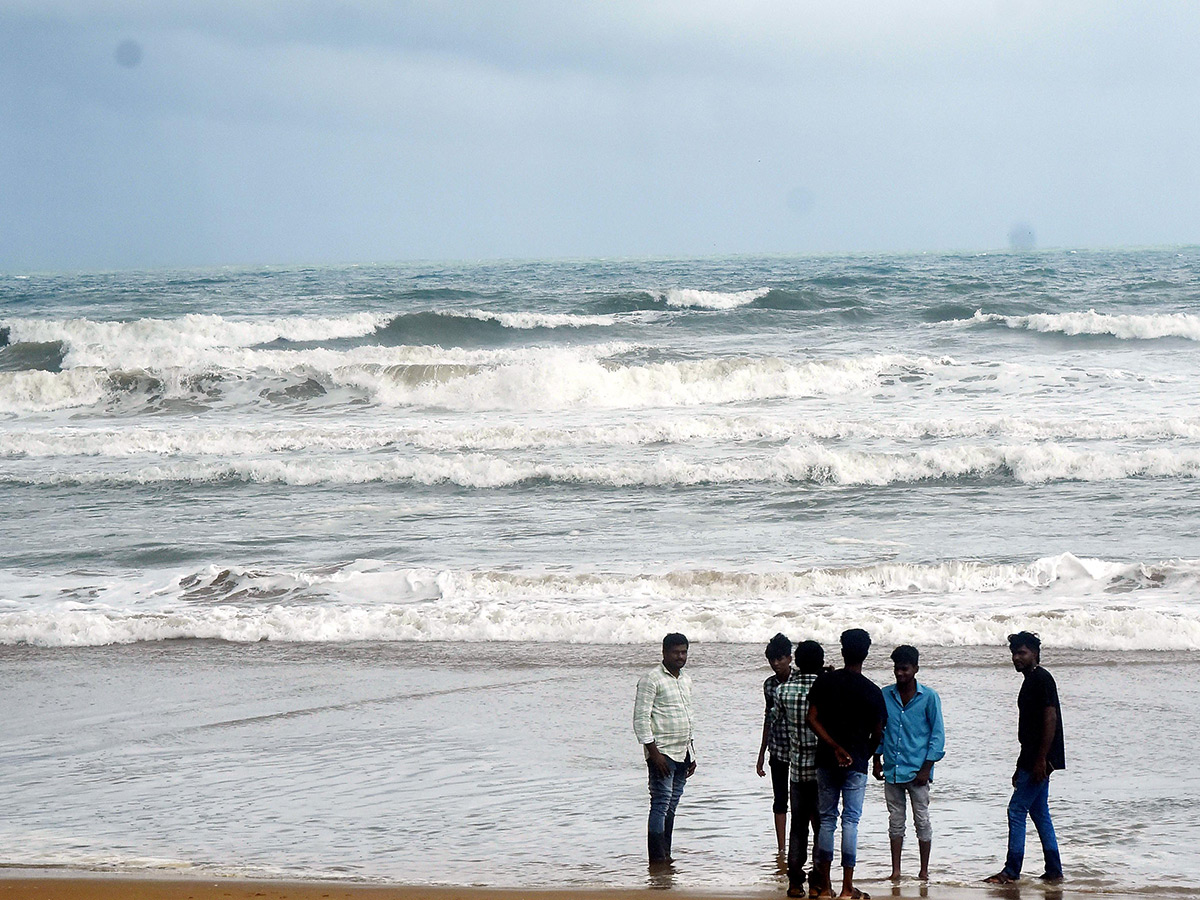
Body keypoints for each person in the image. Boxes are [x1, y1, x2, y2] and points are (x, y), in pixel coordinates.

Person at [807, 628, 886, 900]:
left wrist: (834, 746)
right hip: (857, 762)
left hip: (826, 760)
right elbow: (878, 732)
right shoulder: (873, 691)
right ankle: (847, 888)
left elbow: (812, 719)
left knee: (827, 820)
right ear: (866, 654)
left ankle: (826, 888)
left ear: (842, 652)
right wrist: (865, 752)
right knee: (851, 821)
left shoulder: (826, 682)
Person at [985, 631, 1065, 884]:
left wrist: (1042, 760)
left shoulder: (1042, 679)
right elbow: (1029, 730)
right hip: (1031, 757)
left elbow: (1050, 719)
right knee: (1040, 812)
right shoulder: (1030, 680)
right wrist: (1021, 765)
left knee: (1016, 810)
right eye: (1014, 653)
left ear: (1035, 654)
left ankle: (1011, 871)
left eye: (1022, 653)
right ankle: (1054, 870)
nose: (1016, 657)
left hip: (1040, 758)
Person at [872, 645, 945, 881]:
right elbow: (880, 731)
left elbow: (937, 735)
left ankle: (924, 871)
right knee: (895, 821)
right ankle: (896, 870)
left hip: (918, 771)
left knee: (922, 820)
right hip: (892, 769)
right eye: (897, 669)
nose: (900, 673)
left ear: (915, 669)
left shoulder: (930, 697)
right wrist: (876, 759)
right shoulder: (885, 695)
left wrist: (927, 768)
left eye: (904, 668)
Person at [633, 632, 696, 865]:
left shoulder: (686, 679)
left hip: (683, 752)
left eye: (684, 652)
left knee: (672, 805)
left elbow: (687, 717)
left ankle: (666, 853)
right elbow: (640, 719)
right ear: (664, 653)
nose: (680, 656)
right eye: (676, 652)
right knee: (660, 803)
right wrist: (654, 753)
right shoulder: (651, 679)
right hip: (662, 753)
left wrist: (692, 753)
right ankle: (657, 858)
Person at [773, 639, 827, 898]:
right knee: (821, 825)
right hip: (822, 769)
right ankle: (818, 881)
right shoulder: (827, 689)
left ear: (796, 662)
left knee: (798, 826)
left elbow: (776, 721)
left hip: (797, 769)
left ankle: (795, 881)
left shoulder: (783, 691)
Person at [757, 632, 793, 855]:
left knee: (801, 800)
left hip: (800, 749)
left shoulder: (802, 679)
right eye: (772, 660)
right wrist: (761, 752)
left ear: (790, 658)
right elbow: (768, 717)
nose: (776, 664)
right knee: (780, 799)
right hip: (778, 748)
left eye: (780, 659)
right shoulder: (769, 685)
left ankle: (799, 843)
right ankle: (781, 848)